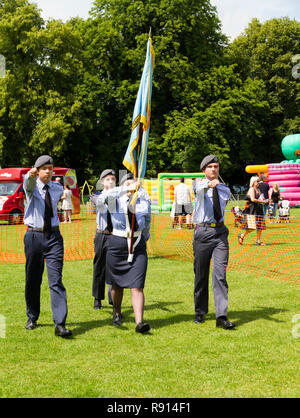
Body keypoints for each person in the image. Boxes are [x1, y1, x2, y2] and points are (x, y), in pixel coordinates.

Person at [23, 155, 72, 338]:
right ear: (38, 170)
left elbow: (64, 194)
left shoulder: (57, 187)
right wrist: (31, 175)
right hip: (34, 236)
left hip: (53, 237)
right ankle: (32, 317)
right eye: (45, 169)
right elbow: (27, 184)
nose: (48, 172)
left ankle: (60, 324)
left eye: (51, 169)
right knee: (33, 279)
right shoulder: (31, 186)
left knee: (56, 280)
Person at [97, 172, 151, 333]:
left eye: (134, 183)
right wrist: (123, 189)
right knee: (116, 284)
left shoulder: (143, 199)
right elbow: (101, 200)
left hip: (137, 243)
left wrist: (143, 237)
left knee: (137, 285)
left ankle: (139, 322)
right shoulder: (114, 199)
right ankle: (117, 312)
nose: (132, 186)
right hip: (117, 243)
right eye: (128, 183)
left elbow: (146, 221)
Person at [193, 155, 235, 330]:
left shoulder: (224, 189)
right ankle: (200, 311)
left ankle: (221, 316)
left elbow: (225, 204)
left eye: (216, 166)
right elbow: (199, 189)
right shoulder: (198, 185)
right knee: (201, 274)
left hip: (220, 233)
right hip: (203, 232)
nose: (213, 169)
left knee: (220, 275)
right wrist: (209, 184)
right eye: (210, 167)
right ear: (204, 170)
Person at [91, 169, 116, 310]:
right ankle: (97, 298)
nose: (111, 181)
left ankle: (113, 297)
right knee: (99, 267)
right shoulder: (97, 196)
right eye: (107, 179)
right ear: (102, 182)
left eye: (113, 179)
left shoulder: (119, 197)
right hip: (102, 234)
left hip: (115, 235)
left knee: (115, 267)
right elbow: (101, 205)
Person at [238, 176, 268, 246]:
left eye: (258, 181)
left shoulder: (258, 189)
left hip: (259, 209)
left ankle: (258, 241)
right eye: (257, 181)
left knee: (259, 226)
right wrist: (262, 202)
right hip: (252, 210)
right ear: (253, 182)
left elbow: (261, 197)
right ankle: (241, 235)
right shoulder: (251, 189)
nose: (258, 183)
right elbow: (253, 199)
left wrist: (265, 200)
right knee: (252, 226)